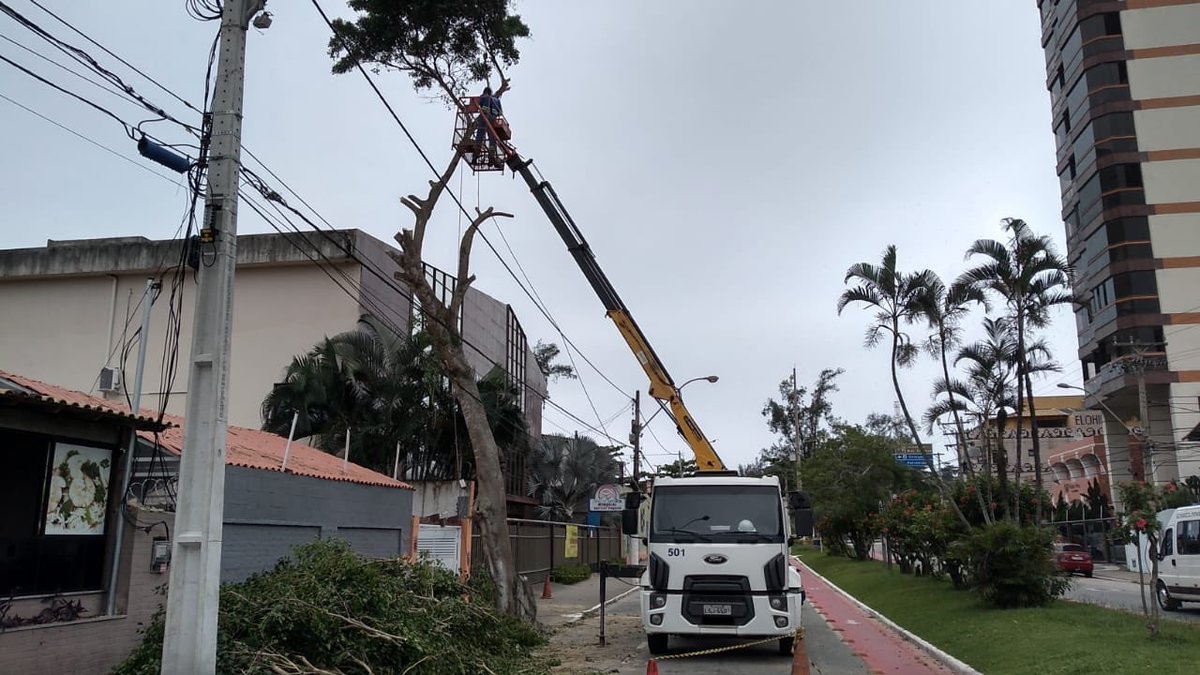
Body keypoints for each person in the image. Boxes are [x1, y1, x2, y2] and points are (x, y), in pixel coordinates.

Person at [474, 86, 503, 165]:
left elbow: (475, 105)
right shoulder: (497, 100)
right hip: (492, 120)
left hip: (483, 119)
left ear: (484, 92)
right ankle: (491, 158)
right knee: (492, 139)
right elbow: (500, 112)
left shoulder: (483, 97)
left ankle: (475, 157)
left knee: (479, 137)